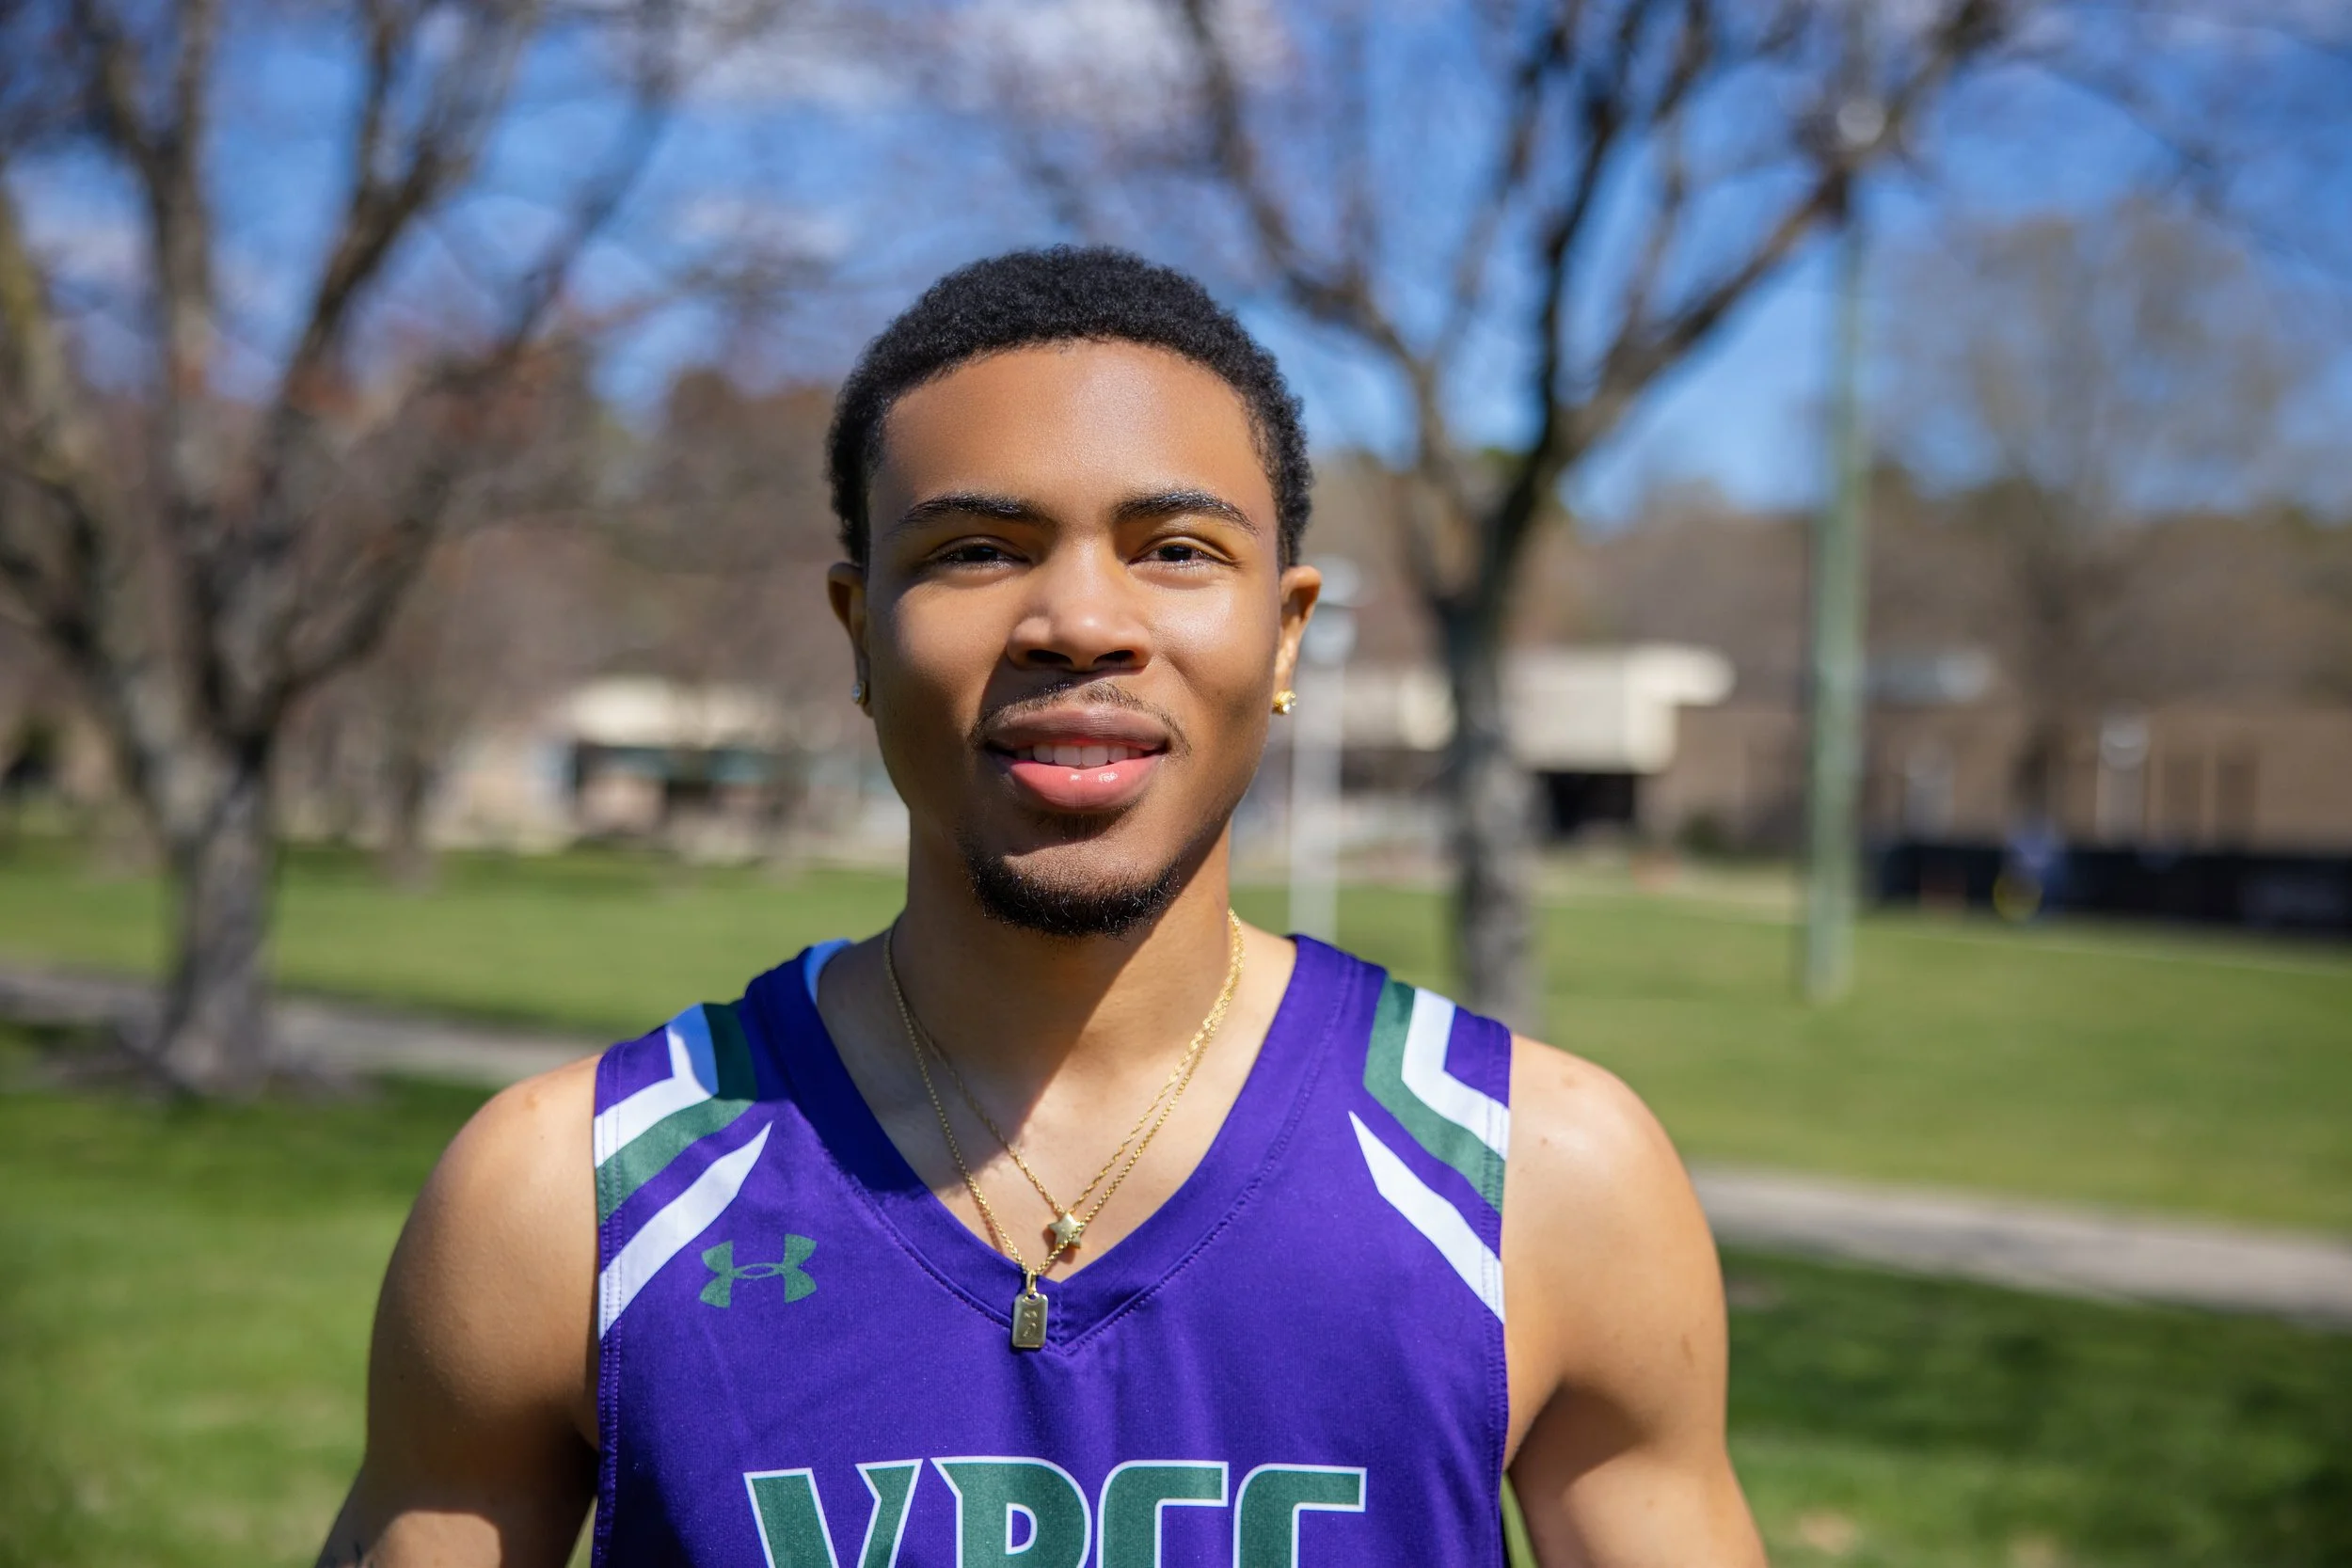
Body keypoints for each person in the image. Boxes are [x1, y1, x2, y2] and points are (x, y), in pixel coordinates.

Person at [319, 247, 1762, 1567]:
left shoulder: (1548, 1181)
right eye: (976, 548)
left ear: (1286, 634)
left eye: (1176, 547)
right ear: (859, 631)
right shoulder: (566, 1198)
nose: (1081, 622)